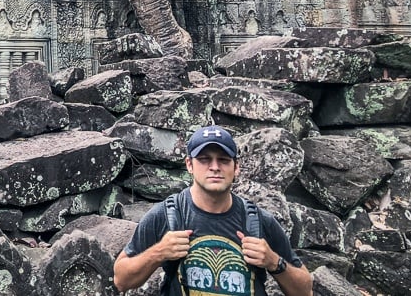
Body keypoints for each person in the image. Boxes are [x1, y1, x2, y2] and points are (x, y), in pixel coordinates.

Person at [113, 125, 312, 296]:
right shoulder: (167, 215)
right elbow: (121, 279)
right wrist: (159, 252)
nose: (214, 167)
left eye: (224, 160)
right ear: (189, 165)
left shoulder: (260, 221)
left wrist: (273, 261)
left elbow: (305, 290)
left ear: (236, 168)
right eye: (205, 159)